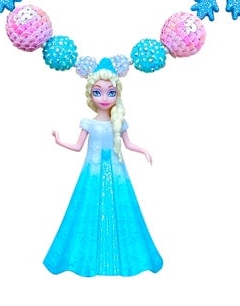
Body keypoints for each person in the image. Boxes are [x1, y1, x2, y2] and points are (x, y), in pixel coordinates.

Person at [43, 58, 163, 277]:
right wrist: (60, 141)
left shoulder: (119, 122)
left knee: (122, 209)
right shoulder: (88, 123)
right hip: (92, 173)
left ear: (118, 94)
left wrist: (143, 150)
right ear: (91, 95)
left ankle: (128, 256)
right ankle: (82, 258)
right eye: (98, 92)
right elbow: (78, 146)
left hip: (117, 173)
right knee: (85, 209)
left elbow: (128, 144)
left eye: (111, 92)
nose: (105, 98)